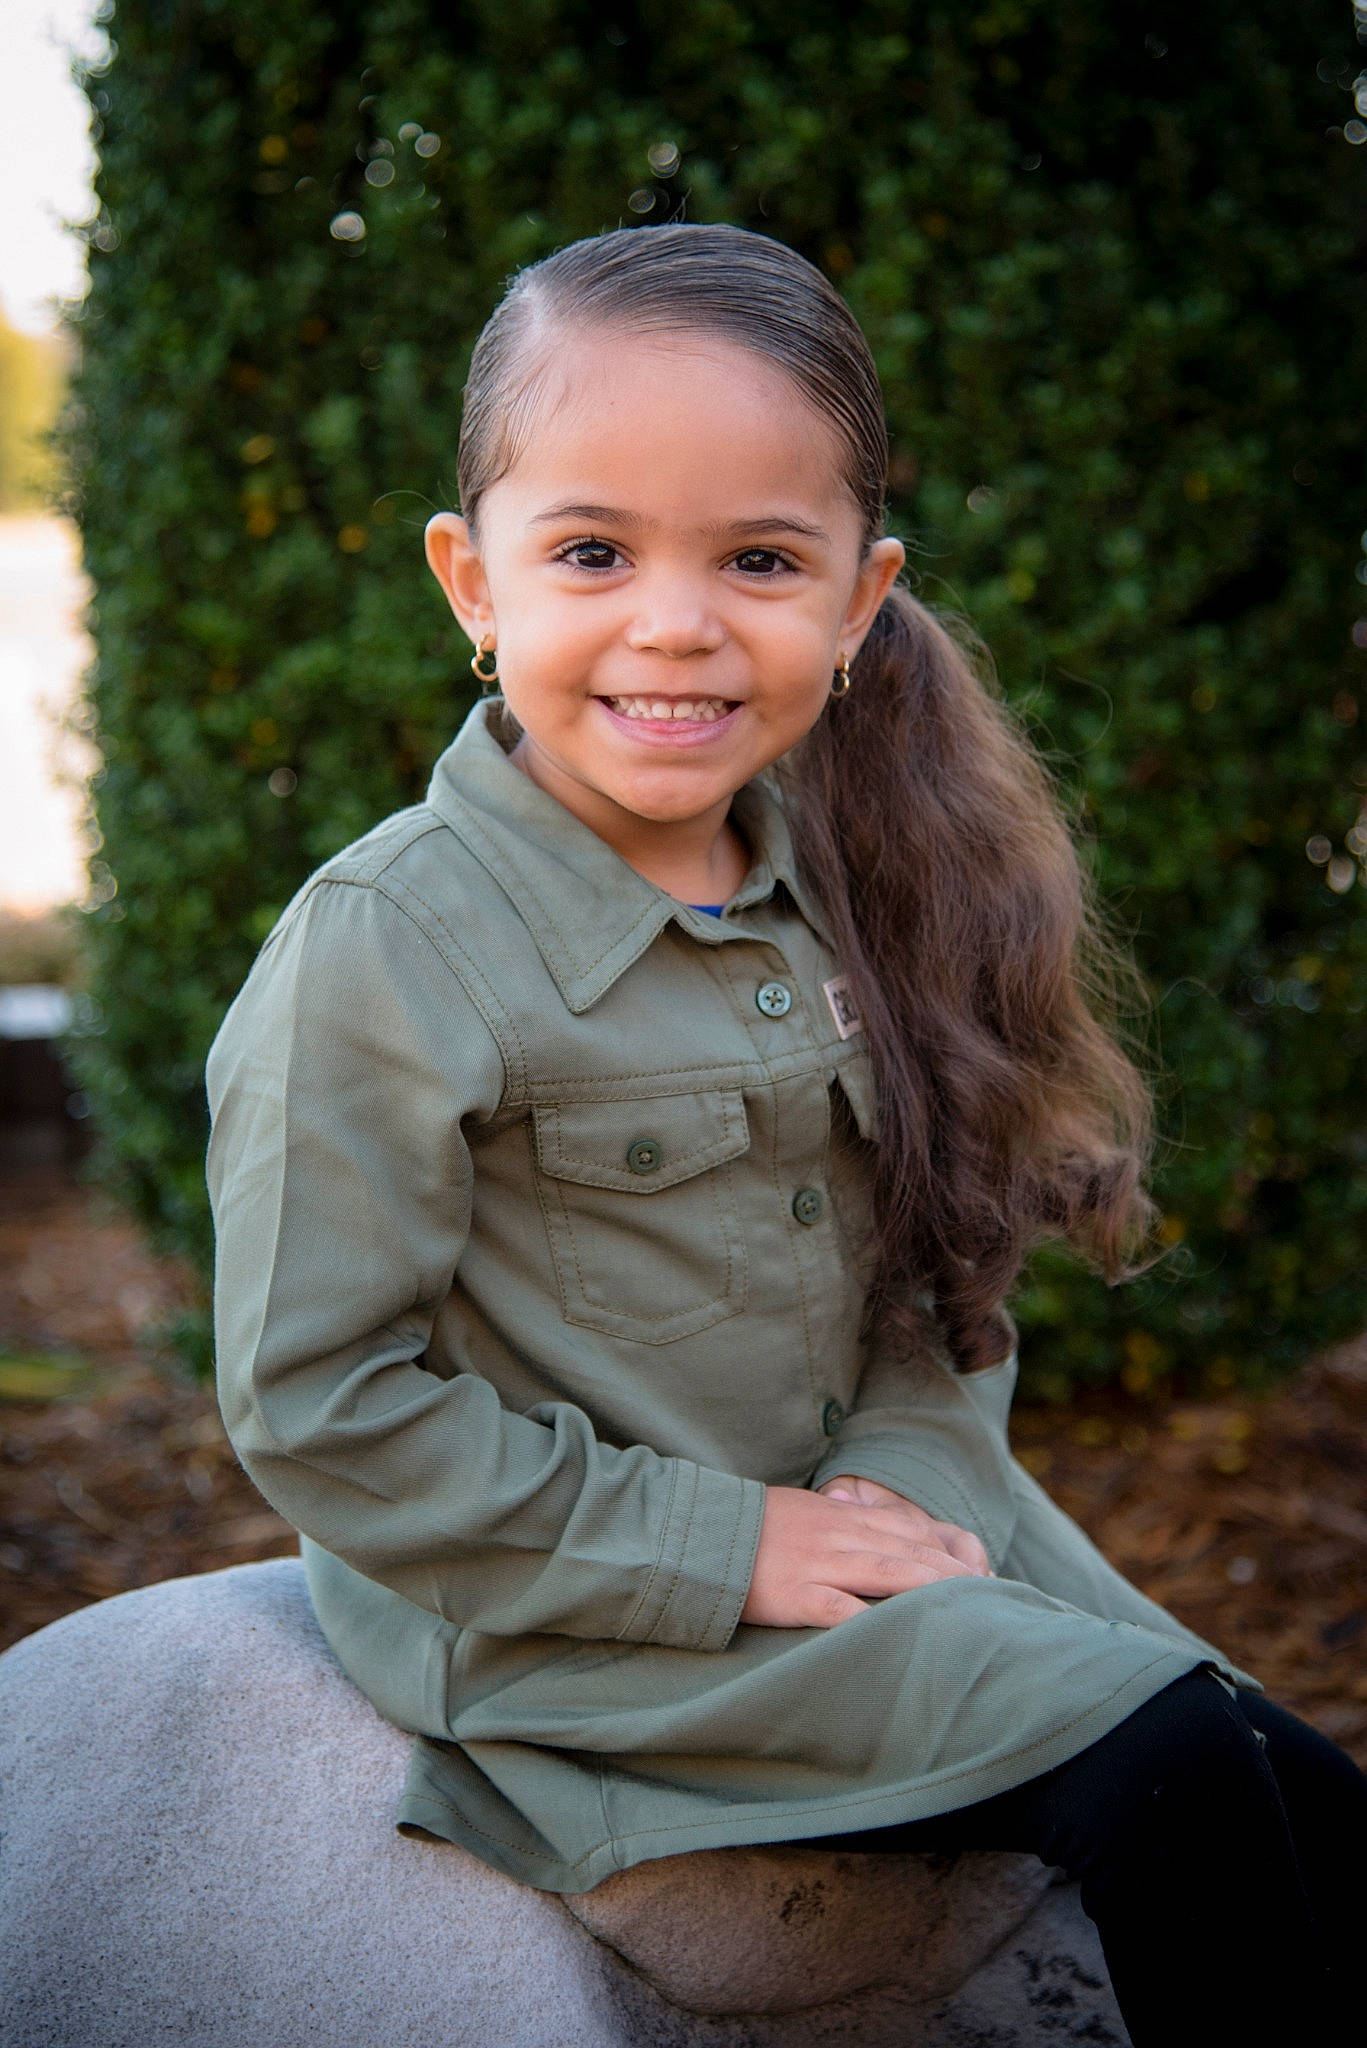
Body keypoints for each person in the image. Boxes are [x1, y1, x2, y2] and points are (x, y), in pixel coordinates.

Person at [206, 223, 1366, 2044]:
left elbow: (936, 1275)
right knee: (1176, 1789)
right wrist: (726, 1550)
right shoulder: (385, 951)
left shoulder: (853, 884)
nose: (675, 621)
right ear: (471, 581)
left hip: (879, 1543)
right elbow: (320, 1408)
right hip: (584, 1623)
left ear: (858, 594)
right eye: (591, 551)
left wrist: (905, 1486)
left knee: (1306, 1791)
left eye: (759, 558)